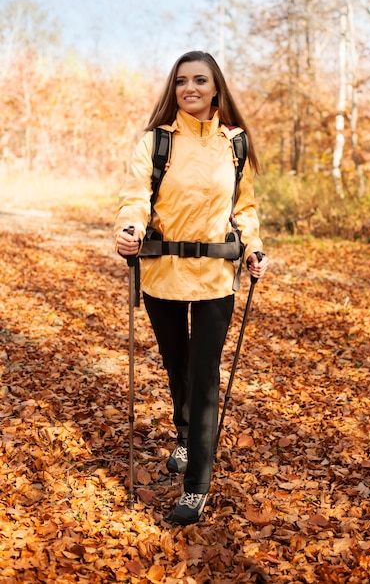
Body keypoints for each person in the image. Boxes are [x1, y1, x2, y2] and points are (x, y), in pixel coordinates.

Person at [115, 50, 268, 525]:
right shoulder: (156, 143)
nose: (191, 89)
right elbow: (136, 196)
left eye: (200, 80)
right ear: (174, 88)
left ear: (216, 87)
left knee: (204, 379)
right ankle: (185, 436)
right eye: (182, 81)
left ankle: (196, 485)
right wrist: (129, 228)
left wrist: (254, 248)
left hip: (217, 278)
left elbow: (244, 209)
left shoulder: (234, 144)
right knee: (177, 366)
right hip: (162, 274)